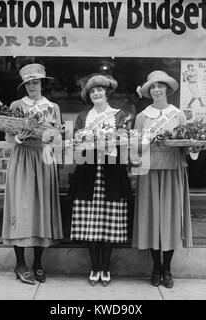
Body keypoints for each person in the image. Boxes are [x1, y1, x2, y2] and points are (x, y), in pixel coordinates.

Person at [2, 63, 63, 285]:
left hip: (44, 158)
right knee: (21, 207)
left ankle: (38, 263)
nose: (31, 86)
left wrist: (51, 138)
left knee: (41, 208)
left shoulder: (53, 107)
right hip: (22, 158)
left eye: (35, 82)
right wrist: (19, 137)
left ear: (42, 83)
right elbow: (9, 138)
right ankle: (20, 263)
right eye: (28, 83)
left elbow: (58, 138)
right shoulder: (16, 105)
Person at [69, 74, 132, 286]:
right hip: (88, 174)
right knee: (91, 223)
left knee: (109, 222)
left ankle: (106, 268)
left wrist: (111, 142)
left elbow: (124, 142)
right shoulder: (82, 116)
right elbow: (77, 145)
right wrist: (87, 143)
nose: (97, 93)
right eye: (93, 91)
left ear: (107, 92)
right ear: (89, 95)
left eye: (100, 89)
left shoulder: (120, 115)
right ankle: (94, 267)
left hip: (112, 172)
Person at [133, 71, 193, 289]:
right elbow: (135, 148)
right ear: (149, 91)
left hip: (172, 171)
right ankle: (155, 268)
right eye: (153, 87)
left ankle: (167, 268)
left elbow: (186, 147)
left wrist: (190, 146)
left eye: (161, 86)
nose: (157, 90)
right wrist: (148, 140)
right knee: (152, 219)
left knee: (170, 219)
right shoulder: (142, 117)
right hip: (149, 172)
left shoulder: (178, 115)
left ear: (167, 89)